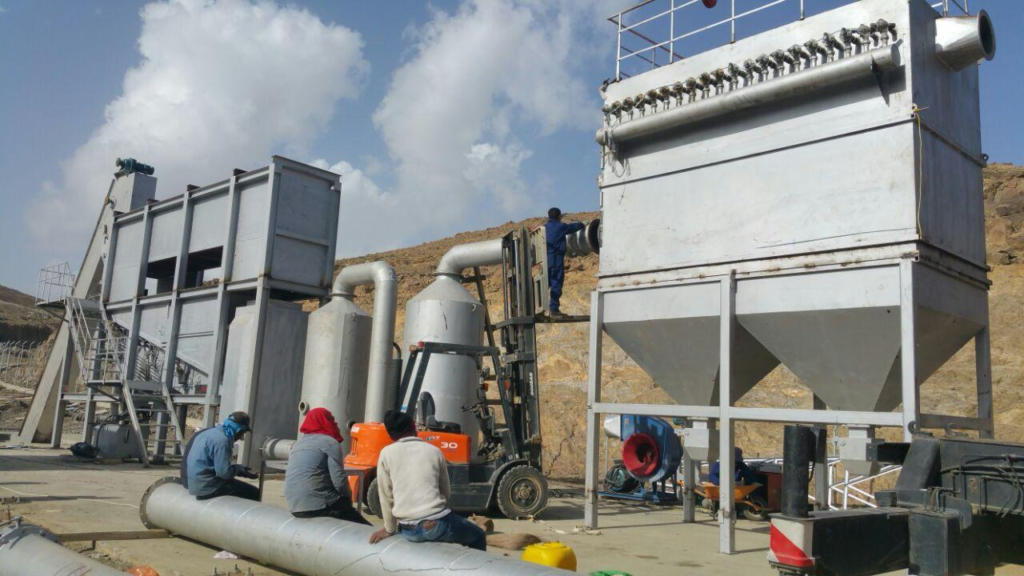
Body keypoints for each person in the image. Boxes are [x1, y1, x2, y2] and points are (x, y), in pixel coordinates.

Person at [368, 410, 486, 550]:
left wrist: (389, 529)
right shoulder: (434, 451)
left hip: (409, 530)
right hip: (437, 524)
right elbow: (446, 491)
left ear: (391, 435)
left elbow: (386, 496)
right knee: (478, 535)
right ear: (413, 427)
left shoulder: (386, 453)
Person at [284, 407, 370, 525]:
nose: (335, 423)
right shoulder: (330, 443)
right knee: (364, 527)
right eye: (331, 419)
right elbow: (339, 481)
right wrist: (348, 496)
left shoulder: (298, 445)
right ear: (326, 422)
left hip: (295, 507)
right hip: (319, 505)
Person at [180, 411, 260, 501]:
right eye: (243, 433)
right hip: (207, 488)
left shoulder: (207, 433)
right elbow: (224, 473)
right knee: (254, 493)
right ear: (238, 430)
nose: (241, 438)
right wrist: (239, 469)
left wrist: (239, 471)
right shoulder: (223, 441)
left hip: (194, 483)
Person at [544, 207, 586, 316]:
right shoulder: (560, 226)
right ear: (559, 217)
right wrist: (581, 224)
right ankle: (554, 309)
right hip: (556, 259)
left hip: (545, 260)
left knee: (544, 284)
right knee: (556, 283)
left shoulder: (544, 228)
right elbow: (573, 227)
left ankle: (536, 308)